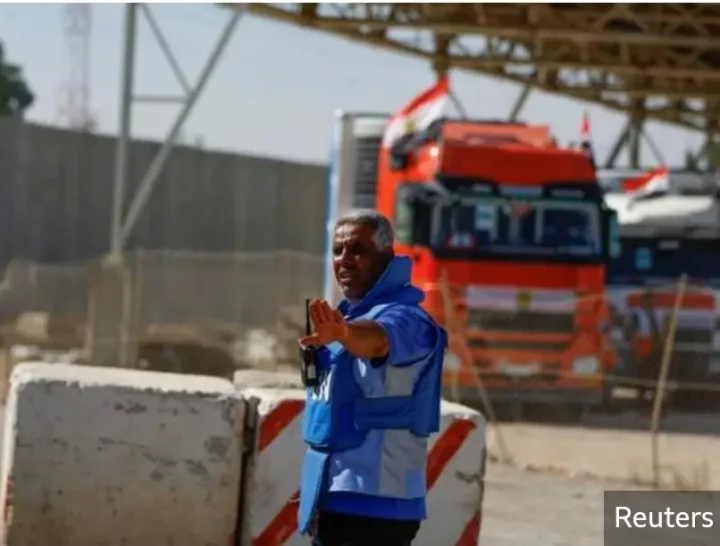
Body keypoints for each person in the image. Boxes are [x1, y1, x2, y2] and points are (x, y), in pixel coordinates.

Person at [297, 209, 447, 546]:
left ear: (386, 257)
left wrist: (344, 332)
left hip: (378, 506)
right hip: (337, 496)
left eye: (358, 251)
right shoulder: (349, 318)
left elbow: (379, 340)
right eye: (338, 250)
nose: (345, 260)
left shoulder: (407, 318)